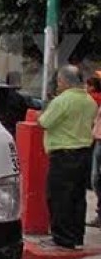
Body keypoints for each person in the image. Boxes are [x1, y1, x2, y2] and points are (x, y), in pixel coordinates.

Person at [37, 65, 97, 249]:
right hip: (84, 153)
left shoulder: (62, 101)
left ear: (65, 81)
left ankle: (62, 238)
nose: (58, 85)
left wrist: (43, 112)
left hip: (63, 154)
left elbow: (44, 122)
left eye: (59, 82)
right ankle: (77, 237)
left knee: (59, 197)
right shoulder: (89, 101)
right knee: (78, 197)